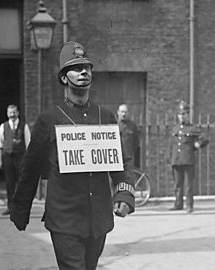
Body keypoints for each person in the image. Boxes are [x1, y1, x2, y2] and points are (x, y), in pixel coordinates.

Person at [9, 41, 135, 270]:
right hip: (64, 219)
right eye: (77, 68)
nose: (84, 72)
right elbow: (31, 168)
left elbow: (122, 163)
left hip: (98, 219)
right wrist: (21, 209)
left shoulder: (105, 117)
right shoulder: (49, 119)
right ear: (64, 78)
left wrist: (125, 196)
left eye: (87, 67)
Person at [170, 100, 208, 213]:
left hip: (188, 159)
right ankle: (178, 204)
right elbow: (171, 145)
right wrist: (170, 158)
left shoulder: (192, 128)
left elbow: (204, 139)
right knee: (177, 184)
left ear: (188, 115)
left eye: (184, 114)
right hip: (176, 160)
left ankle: (189, 205)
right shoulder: (175, 129)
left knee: (188, 185)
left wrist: (198, 145)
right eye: (180, 114)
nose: (182, 116)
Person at [0, 104, 31, 216]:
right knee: (9, 183)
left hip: (20, 157)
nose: (12, 115)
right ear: (7, 114)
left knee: (20, 183)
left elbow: (28, 145)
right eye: (10, 113)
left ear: (18, 113)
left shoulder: (24, 126)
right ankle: (10, 207)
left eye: (14, 112)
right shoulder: (3, 126)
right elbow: (0, 145)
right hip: (8, 157)